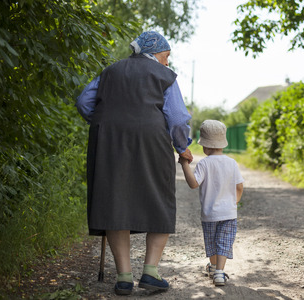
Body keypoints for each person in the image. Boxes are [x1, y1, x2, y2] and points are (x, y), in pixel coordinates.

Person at [75, 31, 193, 296]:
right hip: (152, 139)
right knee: (159, 198)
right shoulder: (166, 76)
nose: (166, 62)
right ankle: (150, 273)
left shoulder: (110, 71)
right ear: (155, 53)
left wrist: (108, 121)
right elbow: (176, 118)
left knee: (114, 200)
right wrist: (182, 146)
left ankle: (124, 278)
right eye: (166, 56)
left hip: (109, 141)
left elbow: (84, 102)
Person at [178, 120, 244, 286]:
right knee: (224, 242)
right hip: (229, 213)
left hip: (209, 214)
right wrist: (233, 203)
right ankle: (220, 273)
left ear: (205, 146)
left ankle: (214, 267)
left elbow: (193, 184)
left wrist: (184, 164)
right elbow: (239, 187)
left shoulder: (204, 163)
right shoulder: (232, 163)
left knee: (212, 242)